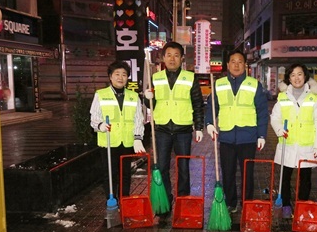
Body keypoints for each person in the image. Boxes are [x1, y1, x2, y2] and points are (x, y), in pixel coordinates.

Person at [205, 50, 269, 213]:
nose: (236, 64)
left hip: (248, 137)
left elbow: (262, 111)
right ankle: (231, 202)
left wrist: (262, 134)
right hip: (226, 136)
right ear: (227, 65)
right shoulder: (219, 84)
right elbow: (212, 106)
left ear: (245, 65)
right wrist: (209, 123)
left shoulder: (254, 84)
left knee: (247, 173)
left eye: (239, 61)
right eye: (233, 61)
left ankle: (246, 202)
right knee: (227, 172)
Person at [144, 42, 204, 211]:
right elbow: (150, 103)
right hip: (162, 129)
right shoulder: (155, 78)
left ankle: (183, 200)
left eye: (176, 55)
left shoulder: (190, 78)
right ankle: (164, 201)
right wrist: (146, 96)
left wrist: (198, 127)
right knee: (161, 167)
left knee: (184, 168)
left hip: (183, 130)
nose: (172, 58)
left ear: (182, 58)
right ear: (163, 58)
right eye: (168, 55)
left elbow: (198, 103)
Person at [270, 63, 317, 218]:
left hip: (307, 145)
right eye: (293, 75)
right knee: (284, 177)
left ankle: (302, 205)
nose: (296, 78)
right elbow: (275, 117)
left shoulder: (314, 98)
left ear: (305, 76)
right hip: (287, 144)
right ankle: (286, 205)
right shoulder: (282, 97)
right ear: (289, 78)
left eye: (299, 74)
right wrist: (279, 129)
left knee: (306, 178)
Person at [90, 60, 146, 199]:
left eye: (124, 74)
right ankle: (111, 202)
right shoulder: (100, 94)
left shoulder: (134, 96)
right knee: (109, 173)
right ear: (110, 76)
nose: (120, 77)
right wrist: (100, 125)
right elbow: (94, 117)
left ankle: (124, 201)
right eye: (117, 74)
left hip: (126, 142)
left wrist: (138, 138)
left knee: (125, 174)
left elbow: (138, 119)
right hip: (108, 143)